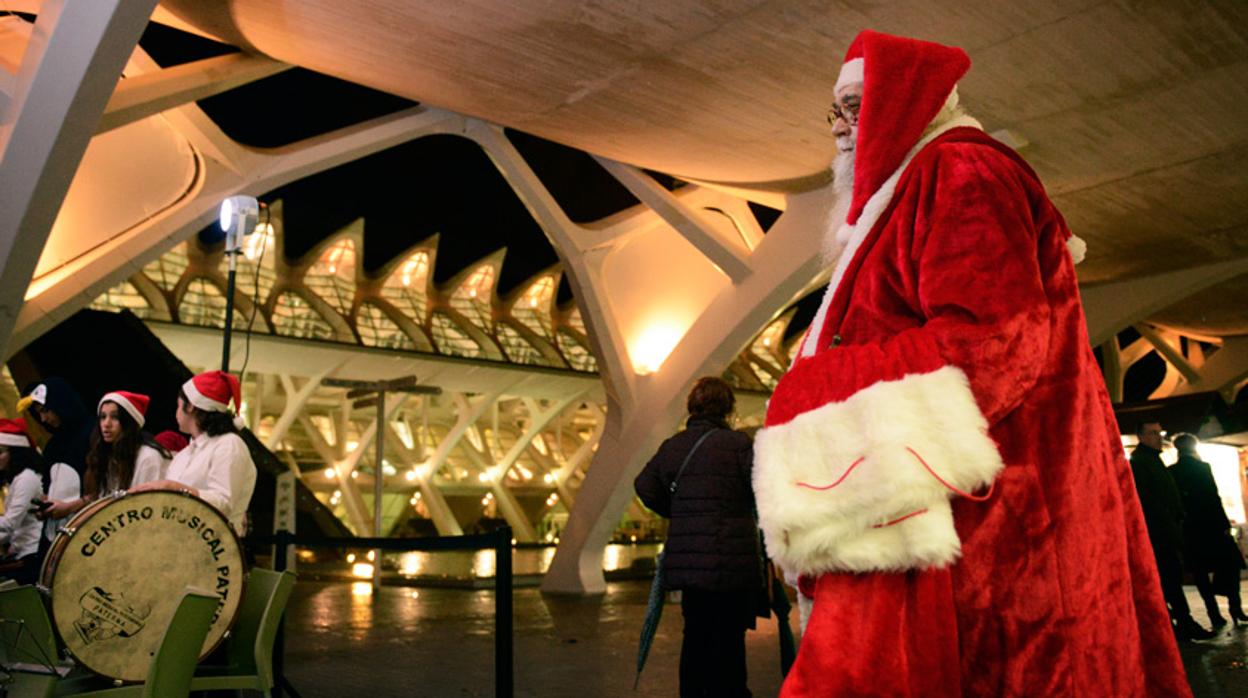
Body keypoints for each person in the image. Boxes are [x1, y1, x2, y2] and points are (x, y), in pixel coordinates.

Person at [753, 30, 1190, 696]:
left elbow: (994, 342)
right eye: (834, 112)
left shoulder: (962, 171)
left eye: (854, 106)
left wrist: (809, 394)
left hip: (987, 531)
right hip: (947, 516)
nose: (841, 127)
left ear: (905, 100)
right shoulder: (917, 186)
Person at [635, 377, 759, 698]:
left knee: (695, 636)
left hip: (690, 566)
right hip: (732, 563)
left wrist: (680, 514)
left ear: (692, 406)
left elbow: (643, 486)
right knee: (730, 640)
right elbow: (762, 490)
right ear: (728, 408)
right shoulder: (739, 446)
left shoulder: (673, 446)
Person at [131, 371, 256, 535]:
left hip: (215, 551)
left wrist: (173, 487)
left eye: (178, 405)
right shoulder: (185, 454)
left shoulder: (229, 444)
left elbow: (223, 504)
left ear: (190, 406)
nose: (176, 412)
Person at [1129, 422, 1214, 640]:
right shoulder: (1141, 462)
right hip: (1160, 533)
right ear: (1141, 437)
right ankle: (1181, 622)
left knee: (1171, 578)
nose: (1159, 437)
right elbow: (1149, 500)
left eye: (1160, 433)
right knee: (1169, 579)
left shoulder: (1151, 460)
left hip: (1167, 530)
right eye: (1153, 433)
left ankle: (1180, 622)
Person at [39, 391, 170, 520]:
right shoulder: (110, 455)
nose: (106, 424)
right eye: (102, 417)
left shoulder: (148, 457)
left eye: (115, 417)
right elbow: (104, 499)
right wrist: (67, 507)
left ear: (129, 421)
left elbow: (148, 511)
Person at [1170, 433, 1247, 626]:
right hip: (1211, 524)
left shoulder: (1172, 471)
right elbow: (1213, 497)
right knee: (1230, 565)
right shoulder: (1202, 468)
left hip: (1191, 528)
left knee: (1200, 571)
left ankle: (1213, 613)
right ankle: (1235, 607)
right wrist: (1224, 524)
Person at [0, 419, 44, 585]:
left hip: (32, 553)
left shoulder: (26, 478)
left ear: (15, 452)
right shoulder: (15, 479)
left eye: (0, 452)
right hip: (21, 551)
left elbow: (10, 523)